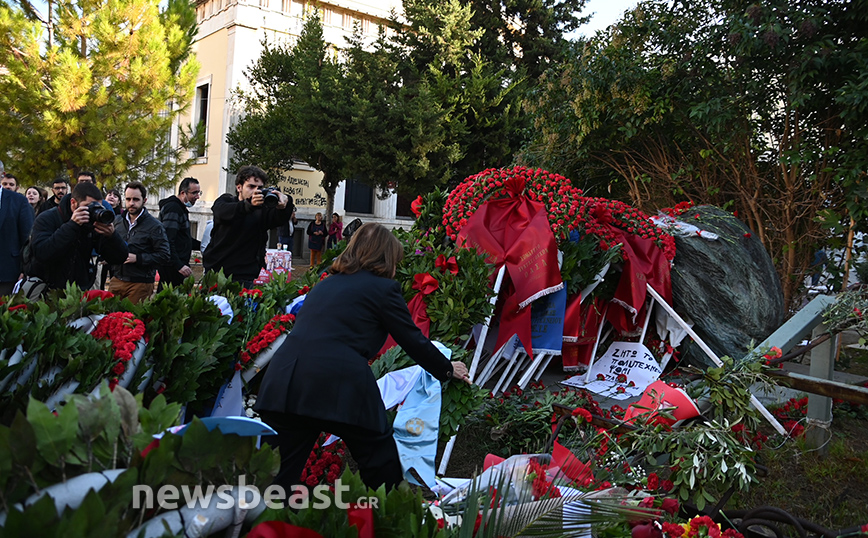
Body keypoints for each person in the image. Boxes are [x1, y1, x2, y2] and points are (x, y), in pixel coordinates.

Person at [255, 223, 470, 493]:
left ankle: (262, 528)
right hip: (339, 383)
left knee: (277, 478)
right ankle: (392, 520)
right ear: (386, 258)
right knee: (380, 462)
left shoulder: (326, 284)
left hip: (287, 381)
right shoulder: (382, 289)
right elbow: (411, 339)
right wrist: (447, 368)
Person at [203, 165, 294, 287]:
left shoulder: (263, 211)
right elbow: (220, 211)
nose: (256, 191)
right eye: (251, 186)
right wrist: (248, 205)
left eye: (260, 188)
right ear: (239, 187)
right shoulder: (227, 201)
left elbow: (278, 219)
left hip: (247, 274)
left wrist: (286, 203)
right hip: (218, 271)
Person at [28, 182, 128, 291]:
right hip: (48, 288)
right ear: (73, 203)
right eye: (89, 206)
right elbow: (41, 253)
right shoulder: (47, 218)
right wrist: (72, 225)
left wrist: (112, 236)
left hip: (79, 290)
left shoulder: (92, 224)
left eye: (98, 207)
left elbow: (120, 258)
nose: (93, 211)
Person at [107, 182, 170, 303]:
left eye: (136, 199)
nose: (131, 203)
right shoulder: (117, 221)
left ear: (144, 200)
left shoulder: (154, 226)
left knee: (133, 320)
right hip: (117, 279)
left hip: (140, 283)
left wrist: (138, 258)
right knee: (110, 319)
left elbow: (164, 255)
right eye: (128, 199)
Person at [158, 177, 202, 288]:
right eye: (194, 193)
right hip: (171, 269)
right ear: (183, 193)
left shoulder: (180, 209)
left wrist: (204, 245)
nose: (197, 196)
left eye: (199, 192)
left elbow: (183, 239)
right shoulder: (174, 209)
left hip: (175, 266)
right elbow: (167, 240)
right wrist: (179, 265)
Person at [0, 180, 33, 295]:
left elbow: (27, 238)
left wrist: (25, 269)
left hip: (7, 272)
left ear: (2, 175)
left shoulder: (18, 201)